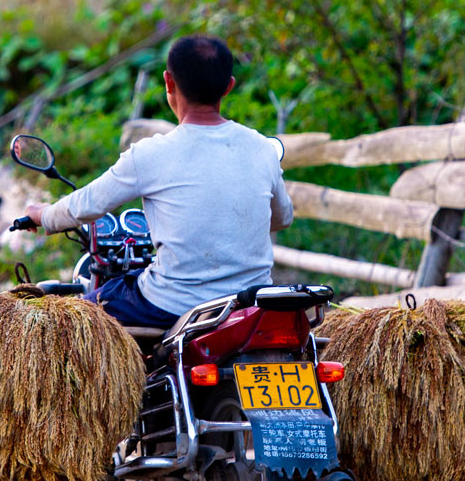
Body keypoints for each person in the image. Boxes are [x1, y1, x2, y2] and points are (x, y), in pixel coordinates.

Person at [24, 35, 294, 328]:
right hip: (251, 304)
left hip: (173, 303)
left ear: (168, 82)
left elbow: (88, 203)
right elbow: (282, 218)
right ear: (229, 86)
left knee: (67, 323)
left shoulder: (150, 155)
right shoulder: (261, 148)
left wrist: (44, 215)